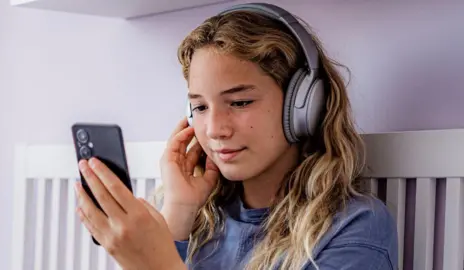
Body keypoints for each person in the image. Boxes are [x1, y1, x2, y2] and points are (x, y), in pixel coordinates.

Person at [74, 3, 398, 270]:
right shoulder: (199, 221)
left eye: (240, 102)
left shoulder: (353, 227)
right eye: (199, 107)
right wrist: (177, 214)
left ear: (302, 105)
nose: (215, 129)